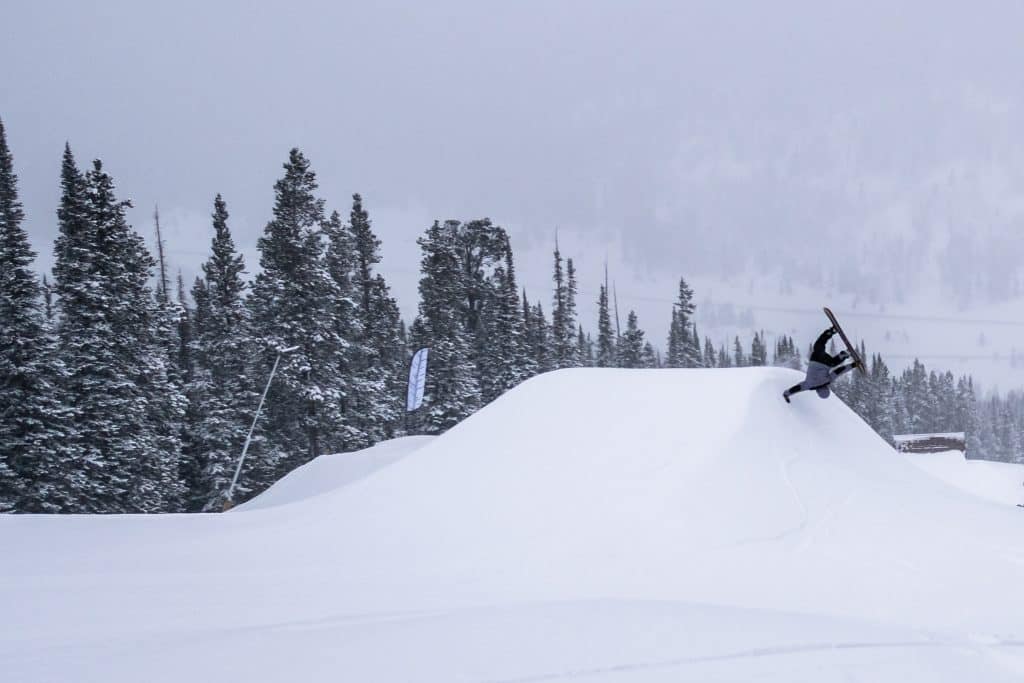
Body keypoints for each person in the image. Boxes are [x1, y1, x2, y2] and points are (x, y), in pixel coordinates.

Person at [783, 327, 859, 403]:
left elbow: (839, 371)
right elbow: (797, 388)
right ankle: (829, 333)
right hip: (816, 359)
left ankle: (843, 355)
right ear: (818, 392)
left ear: (827, 389)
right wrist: (786, 394)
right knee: (819, 346)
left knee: (833, 363)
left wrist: (853, 365)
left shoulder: (828, 381)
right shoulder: (809, 385)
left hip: (826, 363)